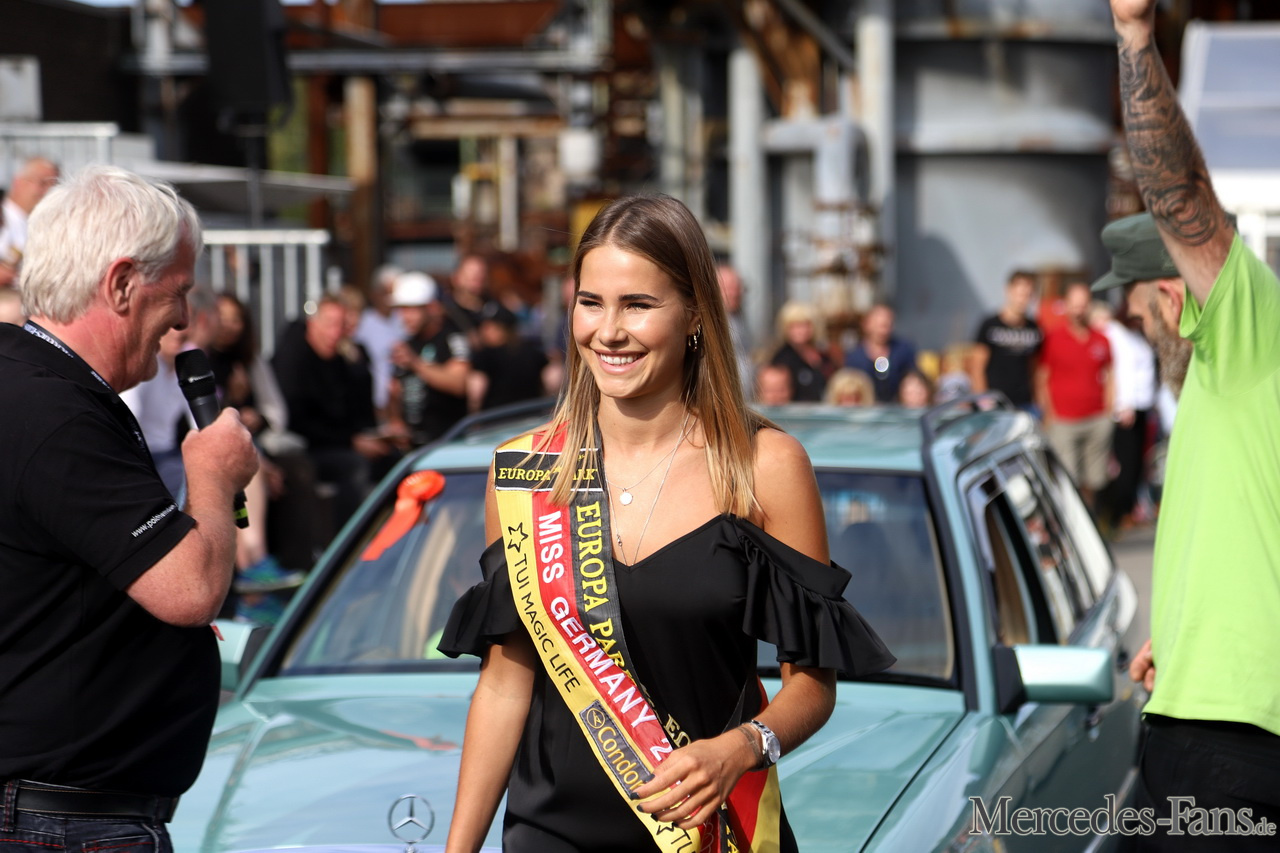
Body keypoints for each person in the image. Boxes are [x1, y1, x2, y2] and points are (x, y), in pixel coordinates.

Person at [437, 194, 894, 853]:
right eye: (590, 302)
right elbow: (506, 685)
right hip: (549, 833)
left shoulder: (764, 467)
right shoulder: (529, 472)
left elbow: (813, 685)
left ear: (695, 315)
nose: (608, 331)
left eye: (637, 305)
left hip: (710, 835)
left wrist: (745, 746)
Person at [0, 165, 258, 851]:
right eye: (178, 292)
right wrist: (213, 476)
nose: (184, 320)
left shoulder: (30, 385)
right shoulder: (54, 414)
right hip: (64, 822)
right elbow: (188, 588)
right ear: (119, 284)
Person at [1099, 1, 1280, 847]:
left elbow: (1180, 195)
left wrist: (1136, 37)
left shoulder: (1250, 334)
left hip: (1233, 742)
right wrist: (1182, 638)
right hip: (1213, 716)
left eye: (1141, 315)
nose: (1142, 333)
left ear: (1175, 295)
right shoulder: (1231, 375)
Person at [1035, 280, 1113, 509]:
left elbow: (1110, 374)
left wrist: (1108, 411)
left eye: (1083, 305)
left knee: (1094, 480)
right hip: (1064, 420)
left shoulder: (1101, 339)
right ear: (1066, 306)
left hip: (1096, 418)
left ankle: (1091, 521)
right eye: (1075, 305)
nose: (1079, 310)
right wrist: (1049, 413)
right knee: (1068, 480)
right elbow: (1041, 378)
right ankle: (1071, 523)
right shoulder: (1053, 339)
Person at [1089, 299, 1156, 532]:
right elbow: (1120, 371)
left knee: (1137, 464)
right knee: (1123, 466)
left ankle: (1126, 511)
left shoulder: (1135, 335)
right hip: (1125, 408)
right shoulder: (1115, 334)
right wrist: (1124, 404)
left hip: (1142, 405)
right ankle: (1114, 514)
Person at [387, 271, 471, 446]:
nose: (405, 317)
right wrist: (396, 421)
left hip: (447, 442)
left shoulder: (451, 339)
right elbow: (395, 391)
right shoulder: (407, 344)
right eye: (402, 309)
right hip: (412, 445)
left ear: (431, 307)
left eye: (412, 309)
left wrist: (415, 364)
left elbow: (458, 383)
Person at [969, 271, 1043, 411]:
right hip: (995, 404)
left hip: (1024, 403)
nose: (1022, 300)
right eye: (1019, 294)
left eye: (1027, 295)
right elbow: (976, 368)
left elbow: (1035, 369)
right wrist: (983, 401)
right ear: (1008, 291)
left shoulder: (1033, 328)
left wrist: (1038, 402)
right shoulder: (990, 325)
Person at [466, 301, 550, 411]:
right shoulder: (532, 351)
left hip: (495, 417)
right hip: (533, 414)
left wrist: (474, 413)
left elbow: (476, 393)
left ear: (503, 329)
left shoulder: (484, 355)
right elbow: (551, 381)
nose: (482, 331)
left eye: (488, 327)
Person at [0, 157, 59, 288]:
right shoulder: (3, 216)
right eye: (43, 183)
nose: (48, 191)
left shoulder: (48, 225)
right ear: (18, 182)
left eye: (54, 185)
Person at [843, 303, 919, 403]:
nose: (883, 331)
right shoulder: (855, 357)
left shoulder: (903, 351)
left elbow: (913, 378)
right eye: (880, 326)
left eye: (887, 325)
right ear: (867, 325)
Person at [768, 300, 835, 402]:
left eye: (805, 325)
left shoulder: (823, 354)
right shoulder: (783, 358)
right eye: (794, 326)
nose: (801, 331)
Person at [717, 262, 755, 393]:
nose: (734, 293)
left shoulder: (740, 318)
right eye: (728, 288)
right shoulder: (706, 323)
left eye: (737, 288)